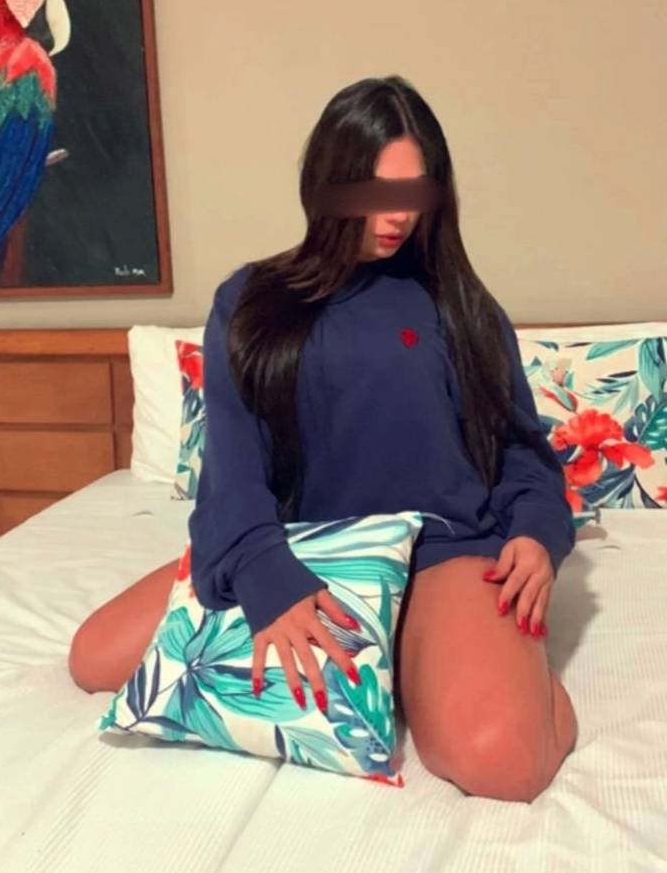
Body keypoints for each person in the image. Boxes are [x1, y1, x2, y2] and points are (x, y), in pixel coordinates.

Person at [69, 75, 578, 803]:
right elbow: (232, 468)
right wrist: (269, 581)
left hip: (443, 549)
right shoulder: (251, 300)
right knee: (92, 658)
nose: (397, 215)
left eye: (415, 192)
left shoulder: (463, 306)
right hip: (308, 548)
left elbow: (522, 451)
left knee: (502, 765)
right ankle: (414, 661)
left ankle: (486, 665)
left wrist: (535, 532)